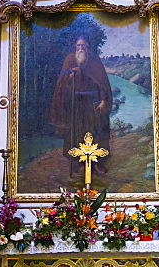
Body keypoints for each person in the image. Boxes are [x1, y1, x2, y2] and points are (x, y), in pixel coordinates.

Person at [48, 36, 113, 176]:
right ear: (75, 47)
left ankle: (96, 164)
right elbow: (62, 82)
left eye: (83, 45)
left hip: (93, 103)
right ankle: (79, 163)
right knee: (77, 133)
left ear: (88, 46)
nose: (81, 48)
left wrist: (103, 100)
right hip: (75, 103)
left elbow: (102, 83)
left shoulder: (94, 60)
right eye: (78, 45)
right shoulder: (70, 59)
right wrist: (70, 76)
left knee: (95, 131)